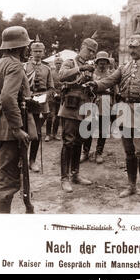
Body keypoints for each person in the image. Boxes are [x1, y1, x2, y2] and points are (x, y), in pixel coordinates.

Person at [86, 34, 140, 202]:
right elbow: (109, 80)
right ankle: (131, 186)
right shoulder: (124, 67)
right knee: (129, 152)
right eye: (130, 47)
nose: (132, 50)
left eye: (135, 47)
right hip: (124, 110)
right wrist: (96, 84)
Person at [0, 26, 35, 213]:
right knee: (7, 180)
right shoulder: (15, 66)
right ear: (20, 47)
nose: (28, 49)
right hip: (9, 129)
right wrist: (17, 128)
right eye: (26, 45)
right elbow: (6, 98)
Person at [58, 37, 98, 193]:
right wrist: (80, 70)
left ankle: (75, 174)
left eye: (93, 52)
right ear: (82, 47)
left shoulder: (91, 66)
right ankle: (64, 178)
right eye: (89, 50)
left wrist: (91, 83)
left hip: (85, 107)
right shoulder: (70, 62)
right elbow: (61, 76)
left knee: (79, 142)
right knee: (68, 142)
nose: (91, 54)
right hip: (70, 107)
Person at [24, 36, 54, 172]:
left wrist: (44, 98)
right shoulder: (24, 67)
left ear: (44, 52)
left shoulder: (47, 69)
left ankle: (32, 160)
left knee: (37, 134)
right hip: (27, 103)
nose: (37, 54)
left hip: (41, 105)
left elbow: (51, 88)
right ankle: (22, 160)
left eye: (40, 51)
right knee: (25, 132)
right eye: (35, 51)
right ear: (30, 52)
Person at [81, 51, 115, 164]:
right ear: (96, 62)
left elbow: (115, 91)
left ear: (108, 63)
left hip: (106, 101)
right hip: (92, 101)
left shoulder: (112, 74)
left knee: (103, 129)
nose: (102, 64)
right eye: (100, 62)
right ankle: (85, 152)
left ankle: (99, 152)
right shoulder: (91, 74)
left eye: (104, 62)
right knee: (89, 128)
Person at [45, 56, 63, 141]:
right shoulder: (51, 73)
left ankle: (55, 134)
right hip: (52, 97)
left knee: (58, 116)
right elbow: (49, 85)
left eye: (60, 63)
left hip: (61, 97)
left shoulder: (64, 73)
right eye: (57, 63)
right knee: (50, 115)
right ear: (54, 64)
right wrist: (54, 93)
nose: (58, 65)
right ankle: (48, 134)